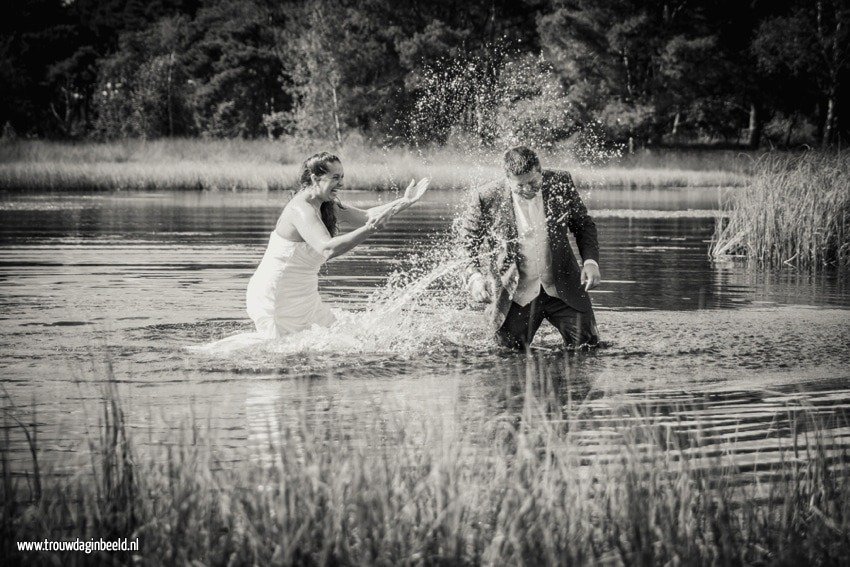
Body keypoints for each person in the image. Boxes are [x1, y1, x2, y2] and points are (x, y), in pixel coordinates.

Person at [246, 152, 429, 338]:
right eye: (335, 178)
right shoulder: (300, 209)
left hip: (304, 293)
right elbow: (328, 249)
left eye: (342, 177)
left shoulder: (325, 204)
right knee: (284, 349)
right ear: (315, 178)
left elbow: (366, 217)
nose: (341, 183)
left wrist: (404, 202)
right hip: (279, 294)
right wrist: (370, 230)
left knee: (338, 336)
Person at [458, 146, 601, 350]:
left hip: (563, 291)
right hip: (514, 296)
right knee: (506, 357)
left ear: (540, 171)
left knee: (588, 349)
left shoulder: (560, 182)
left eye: (533, 182)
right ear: (508, 179)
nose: (527, 190)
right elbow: (467, 243)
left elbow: (583, 225)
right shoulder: (486, 197)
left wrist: (590, 262)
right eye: (520, 185)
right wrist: (474, 277)